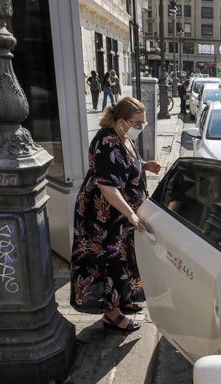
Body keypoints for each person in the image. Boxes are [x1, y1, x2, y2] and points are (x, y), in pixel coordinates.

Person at [70, 96, 162, 332]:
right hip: (103, 216)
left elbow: (125, 164)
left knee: (124, 258)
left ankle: (123, 299)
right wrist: (131, 214)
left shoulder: (123, 137)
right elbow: (107, 186)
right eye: (137, 123)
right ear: (121, 121)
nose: (141, 127)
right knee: (109, 261)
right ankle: (111, 313)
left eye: (143, 122)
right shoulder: (107, 141)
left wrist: (144, 165)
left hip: (119, 215)